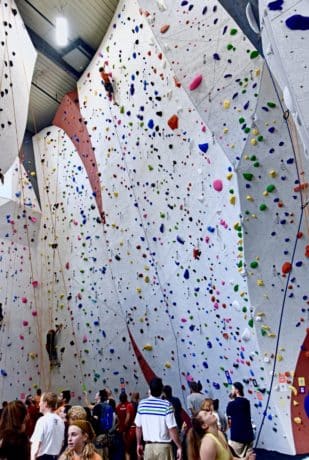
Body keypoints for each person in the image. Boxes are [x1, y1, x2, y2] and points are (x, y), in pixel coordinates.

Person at [135, 376, 182, 460]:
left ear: (150, 389)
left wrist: (139, 444)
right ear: (161, 391)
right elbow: (172, 429)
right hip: (164, 448)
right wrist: (179, 446)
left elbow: (138, 427)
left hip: (148, 447)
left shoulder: (142, 404)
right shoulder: (167, 405)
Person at [188, 409, 255, 460]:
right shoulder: (208, 442)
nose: (210, 412)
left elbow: (231, 458)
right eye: (206, 414)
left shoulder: (220, 433)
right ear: (204, 425)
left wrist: (245, 459)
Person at [30, 391, 65, 460]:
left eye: (40, 401)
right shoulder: (61, 421)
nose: (39, 404)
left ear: (45, 403)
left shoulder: (42, 420)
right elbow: (62, 443)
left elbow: (36, 445)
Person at [226, 382, 254, 458]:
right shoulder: (247, 402)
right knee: (249, 457)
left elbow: (229, 416)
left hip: (237, 437)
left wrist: (231, 400)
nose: (231, 391)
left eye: (232, 389)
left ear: (236, 390)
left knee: (233, 457)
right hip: (249, 435)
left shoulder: (231, 404)